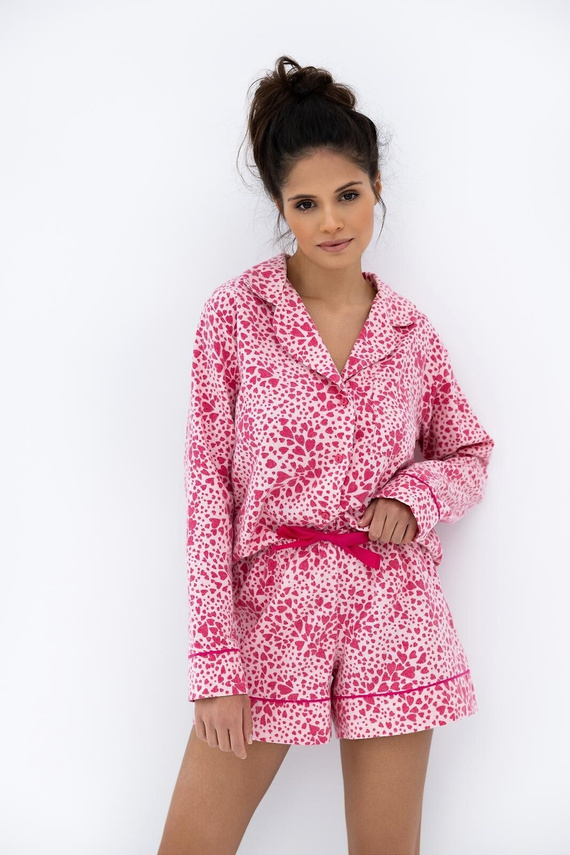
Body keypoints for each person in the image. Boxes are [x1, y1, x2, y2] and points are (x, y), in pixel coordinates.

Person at [157, 55, 495, 855]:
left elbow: (469, 451)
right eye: (305, 203)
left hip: (394, 620)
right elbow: (208, 492)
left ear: (376, 187)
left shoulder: (410, 334)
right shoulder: (236, 318)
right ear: (281, 207)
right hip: (270, 619)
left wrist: (414, 494)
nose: (332, 221)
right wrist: (216, 666)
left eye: (348, 194)